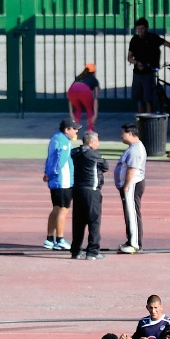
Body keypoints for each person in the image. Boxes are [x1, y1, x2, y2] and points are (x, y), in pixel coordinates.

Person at [69, 129, 108, 260]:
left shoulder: (75, 152)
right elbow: (105, 166)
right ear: (91, 142)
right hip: (91, 190)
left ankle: (75, 250)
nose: (98, 144)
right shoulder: (94, 154)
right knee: (94, 221)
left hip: (77, 189)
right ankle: (92, 251)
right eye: (97, 141)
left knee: (78, 222)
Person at [127, 18, 170, 113]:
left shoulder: (153, 38)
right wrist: (137, 63)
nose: (140, 31)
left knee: (148, 99)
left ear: (147, 28)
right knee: (139, 100)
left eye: (142, 28)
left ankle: (150, 120)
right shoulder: (134, 40)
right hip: (137, 73)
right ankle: (141, 121)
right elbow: (129, 57)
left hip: (149, 72)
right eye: (138, 29)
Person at [43, 119, 77, 250]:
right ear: (67, 130)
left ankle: (50, 238)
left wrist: (47, 172)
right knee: (63, 210)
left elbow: (49, 157)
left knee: (56, 209)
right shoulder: (64, 142)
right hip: (63, 181)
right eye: (74, 129)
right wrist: (52, 173)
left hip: (56, 181)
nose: (76, 131)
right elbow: (60, 161)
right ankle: (60, 239)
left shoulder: (55, 139)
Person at [114, 124, 146, 254]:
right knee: (129, 213)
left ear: (130, 134)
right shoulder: (133, 148)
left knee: (132, 214)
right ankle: (131, 240)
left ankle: (135, 244)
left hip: (132, 185)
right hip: (130, 185)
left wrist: (126, 185)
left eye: (123, 133)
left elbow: (131, 169)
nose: (121, 136)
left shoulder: (135, 149)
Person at [67, 63, 99, 130]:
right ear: (94, 71)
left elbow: (70, 99)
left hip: (72, 90)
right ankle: (90, 131)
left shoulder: (78, 78)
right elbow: (95, 98)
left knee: (78, 109)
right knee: (89, 109)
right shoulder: (94, 80)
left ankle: (74, 134)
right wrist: (95, 115)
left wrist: (71, 113)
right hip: (84, 91)